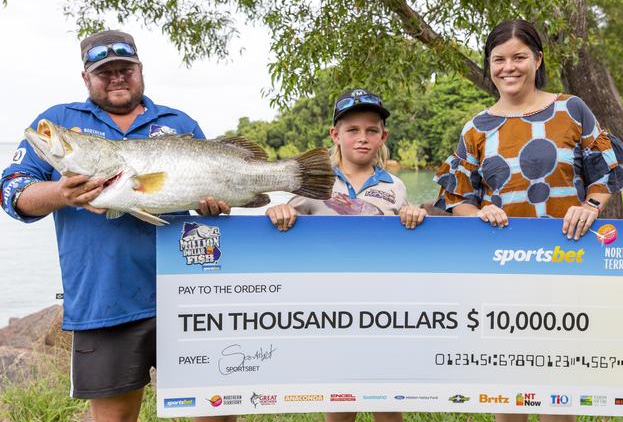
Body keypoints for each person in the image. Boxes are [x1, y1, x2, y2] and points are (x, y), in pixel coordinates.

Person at [0, 29, 235, 422]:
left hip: (188, 293)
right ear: (86, 78)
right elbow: (12, 191)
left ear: (140, 70)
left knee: (215, 412)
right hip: (104, 300)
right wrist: (61, 193)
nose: (117, 78)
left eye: (125, 69)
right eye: (105, 72)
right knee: (115, 418)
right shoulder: (59, 122)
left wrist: (215, 209)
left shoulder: (178, 122)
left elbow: (212, 202)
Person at [434, 19, 623, 422]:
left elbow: (605, 173)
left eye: (519, 57)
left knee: (558, 392)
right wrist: (479, 214)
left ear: (537, 59)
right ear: (490, 65)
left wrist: (590, 206)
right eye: (499, 59)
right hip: (500, 273)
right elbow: (458, 198)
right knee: (508, 395)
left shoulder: (571, 109)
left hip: (564, 268)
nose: (509, 67)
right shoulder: (476, 127)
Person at [266, 88, 427, 422]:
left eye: (371, 130)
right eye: (352, 130)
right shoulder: (314, 183)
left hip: (382, 308)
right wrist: (278, 210)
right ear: (335, 135)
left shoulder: (395, 186)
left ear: (384, 136)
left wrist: (412, 216)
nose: (362, 138)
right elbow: (288, 218)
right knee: (340, 397)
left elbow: (404, 240)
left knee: (386, 398)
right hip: (331, 308)